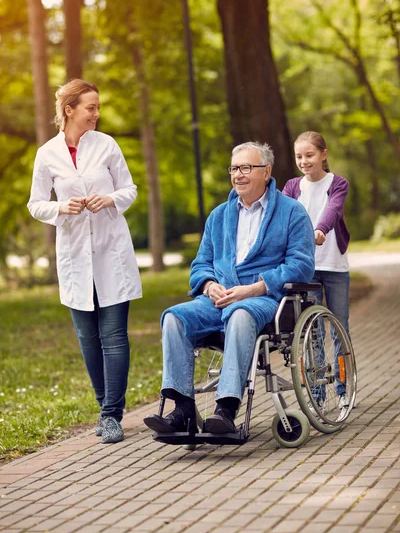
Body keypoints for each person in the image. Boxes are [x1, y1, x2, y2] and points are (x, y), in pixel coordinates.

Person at [144, 141, 315, 436]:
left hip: (263, 299)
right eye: (234, 168)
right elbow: (201, 264)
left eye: (246, 168)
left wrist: (252, 289)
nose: (238, 175)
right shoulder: (219, 216)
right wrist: (208, 285)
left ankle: (226, 408)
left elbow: (301, 265)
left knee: (240, 314)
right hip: (218, 299)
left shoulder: (291, 212)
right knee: (173, 317)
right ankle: (183, 409)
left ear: (266, 172)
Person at [27, 79, 142, 444]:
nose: (96, 113)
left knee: (113, 336)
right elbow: (35, 203)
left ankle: (111, 414)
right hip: (75, 256)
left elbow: (129, 189)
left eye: (97, 106)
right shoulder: (47, 154)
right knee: (87, 338)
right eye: (90, 107)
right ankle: (104, 405)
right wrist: (62, 207)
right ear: (69, 110)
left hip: (111, 252)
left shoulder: (106, 144)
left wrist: (109, 200)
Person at [282, 130, 351, 410]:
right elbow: (282, 215)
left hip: (334, 265)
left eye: (309, 155)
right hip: (305, 268)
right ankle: (318, 395)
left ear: (323, 154)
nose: (304, 161)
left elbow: (333, 210)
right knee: (312, 333)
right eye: (299, 156)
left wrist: (320, 229)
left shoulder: (338, 183)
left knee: (339, 330)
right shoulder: (291, 186)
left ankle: (344, 389)